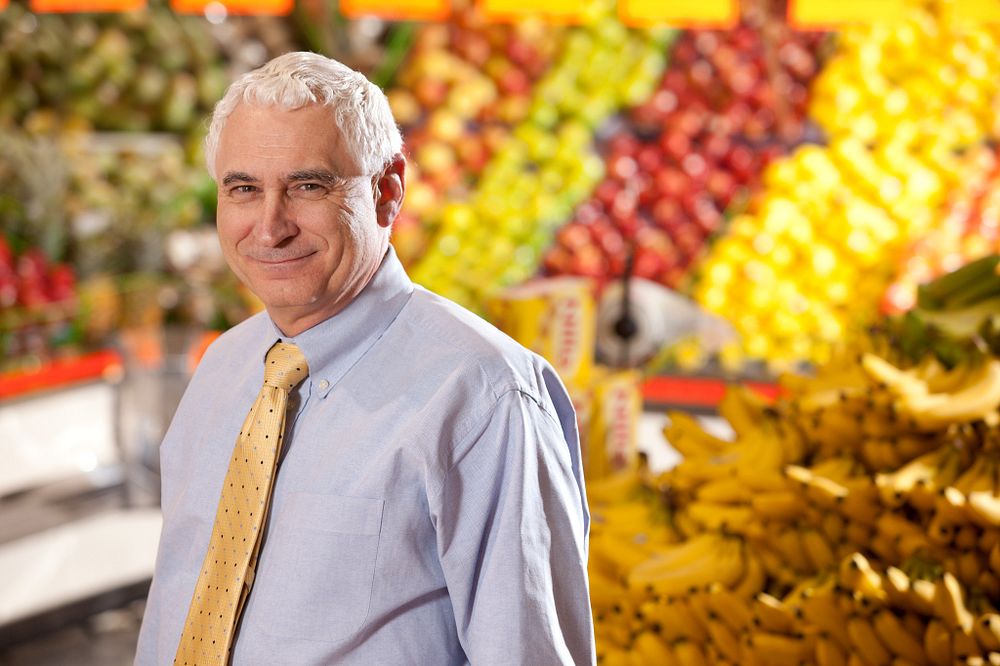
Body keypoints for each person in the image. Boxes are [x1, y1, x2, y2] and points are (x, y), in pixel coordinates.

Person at [134, 51, 595, 665]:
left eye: (307, 186)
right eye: (243, 189)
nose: (269, 228)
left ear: (387, 191)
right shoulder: (222, 369)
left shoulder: (486, 396)